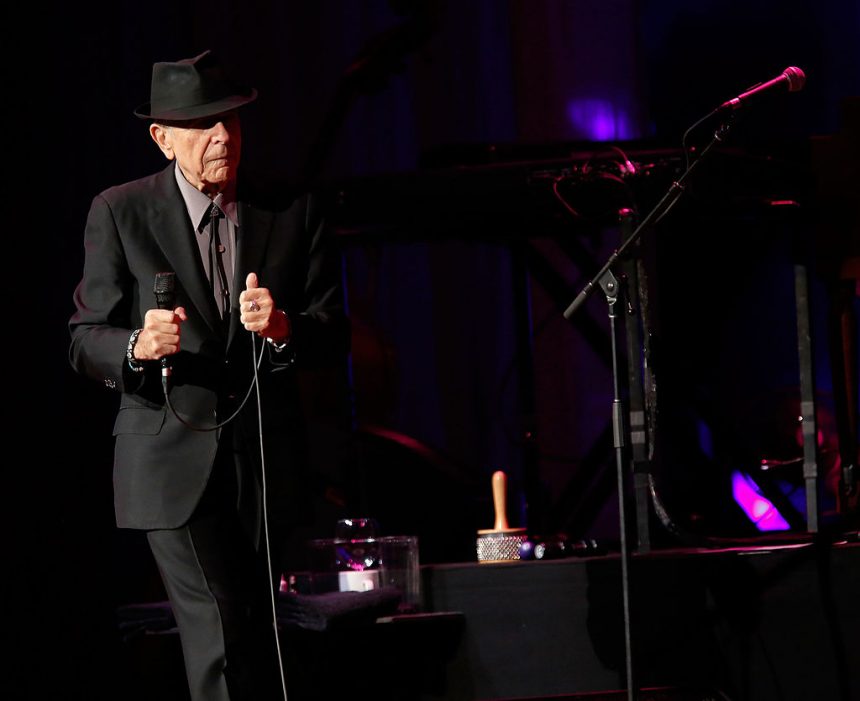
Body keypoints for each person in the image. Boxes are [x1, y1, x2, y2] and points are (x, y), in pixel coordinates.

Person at [68, 49, 349, 701]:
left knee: (260, 632)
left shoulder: (290, 210)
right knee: (219, 628)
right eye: (204, 124)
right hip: (170, 461)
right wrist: (138, 343)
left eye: (231, 121)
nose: (223, 136)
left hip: (262, 459)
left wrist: (283, 327)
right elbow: (84, 338)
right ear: (162, 138)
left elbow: (331, 332)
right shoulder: (121, 211)